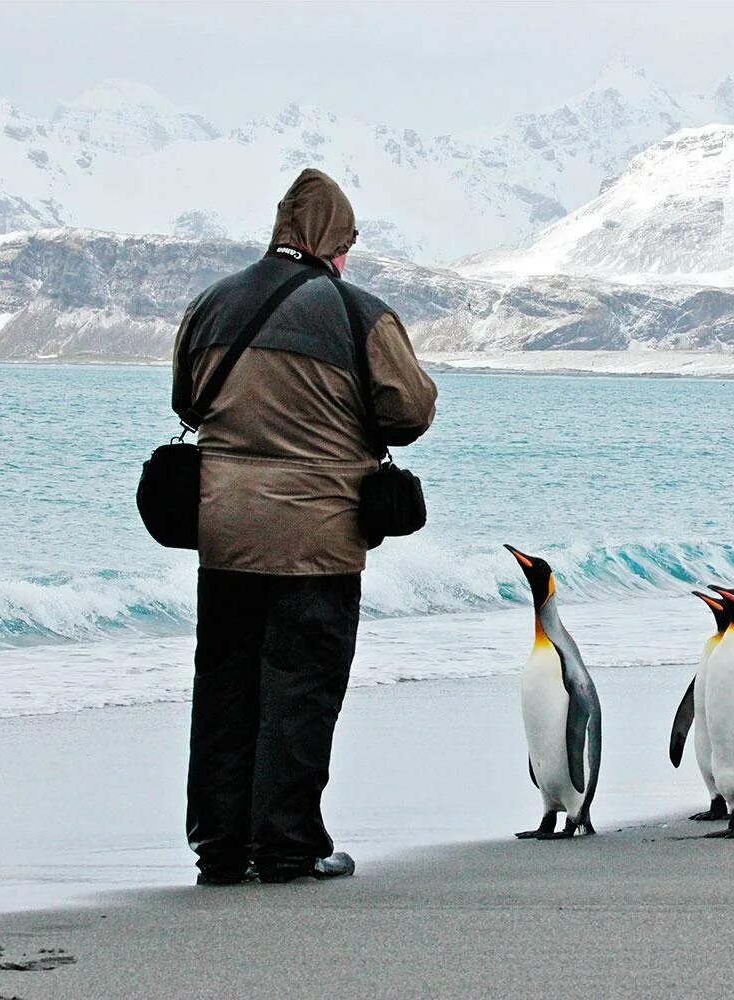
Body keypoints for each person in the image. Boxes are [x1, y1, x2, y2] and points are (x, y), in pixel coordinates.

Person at [170, 168, 437, 885]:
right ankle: (287, 846)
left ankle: (220, 851)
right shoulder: (360, 315)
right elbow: (410, 413)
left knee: (224, 694)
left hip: (224, 535)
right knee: (300, 691)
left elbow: (188, 402)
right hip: (319, 541)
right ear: (334, 243)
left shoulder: (211, 304)